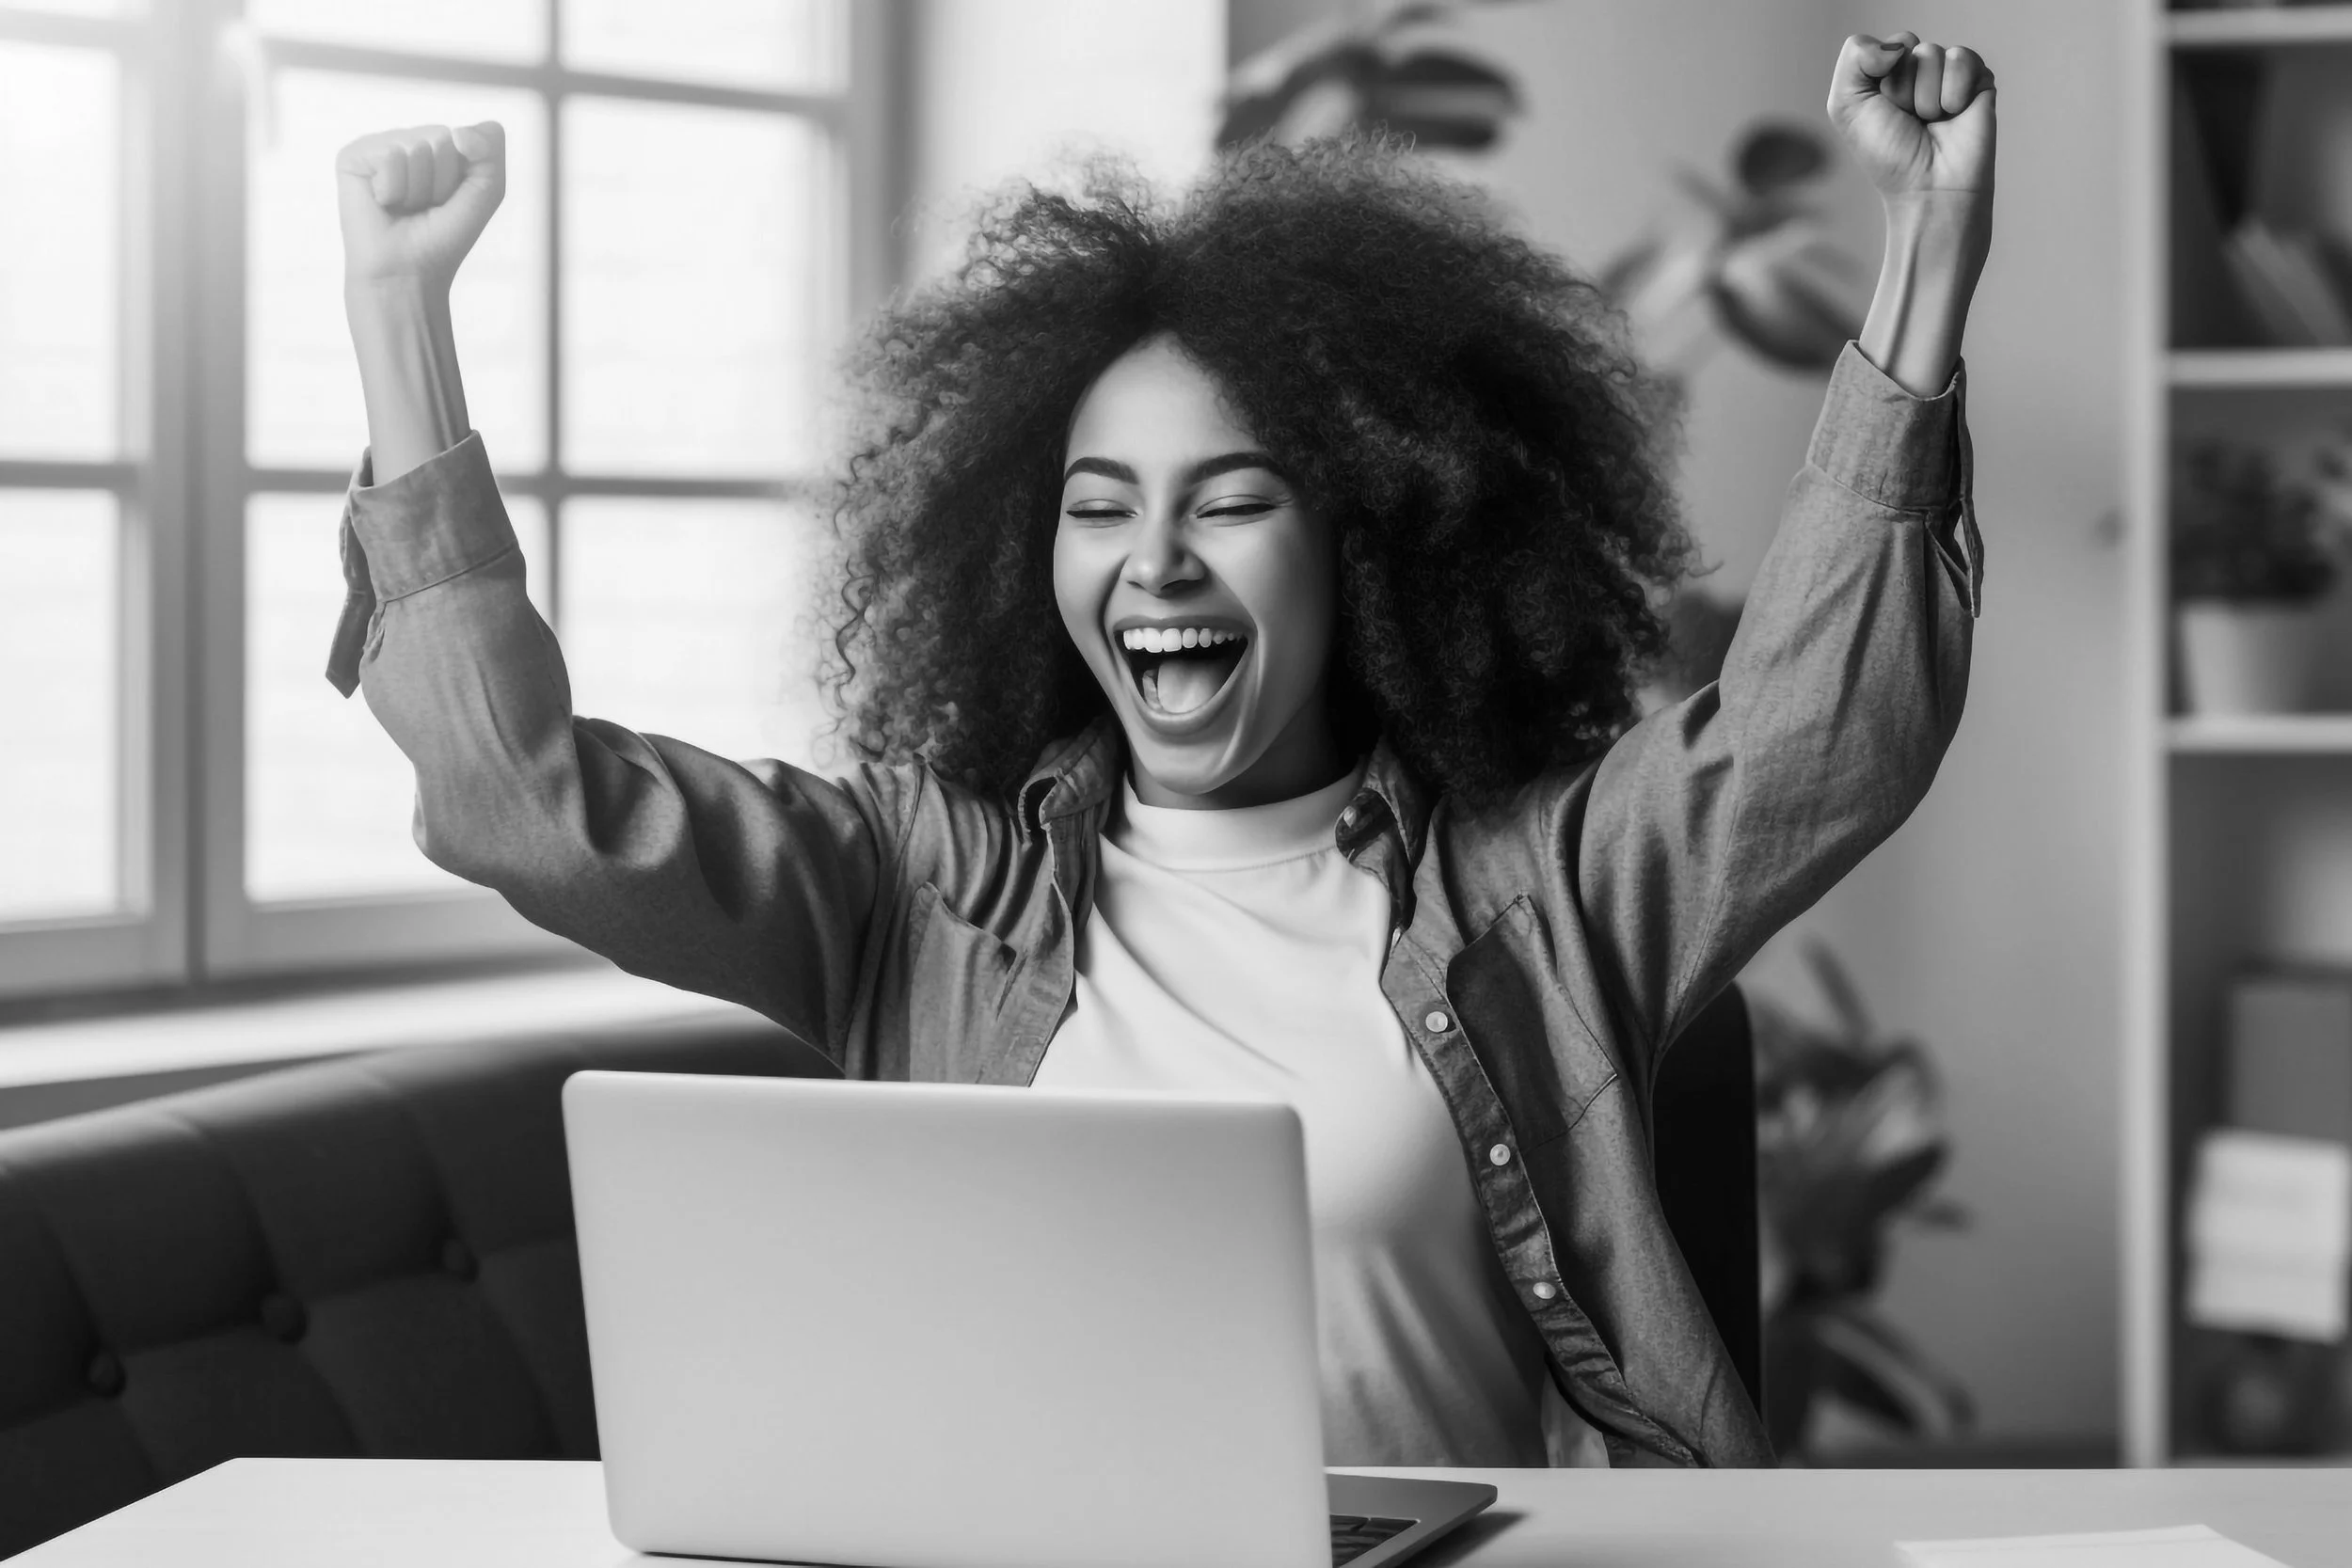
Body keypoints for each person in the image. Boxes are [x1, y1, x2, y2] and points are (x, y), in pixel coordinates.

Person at [327, 30, 1993, 1469]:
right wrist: (401, 315)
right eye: (1100, 507)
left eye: (1233, 500)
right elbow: (527, 805)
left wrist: (1926, 240)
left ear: (1367, 545)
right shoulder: (921, 892)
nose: (1157, 563)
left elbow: (1825, 728)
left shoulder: (1541, 893)